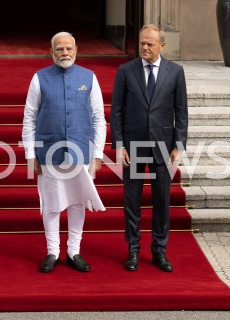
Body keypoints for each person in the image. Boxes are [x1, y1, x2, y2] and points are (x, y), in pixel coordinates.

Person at [22, 31, 106, 273]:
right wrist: (30, 154)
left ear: (76, 50)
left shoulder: (89, 78)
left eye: (69, 48)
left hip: (82, 151)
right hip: (49, 151)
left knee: (77, 202)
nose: (65, 53)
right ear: (52, 52)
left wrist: (98, 153)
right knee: (51, 203)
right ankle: (52, 251)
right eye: (59, 49)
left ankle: (73, 251)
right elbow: (29, 118)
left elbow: (99, 118)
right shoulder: (39, 78)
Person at [110, 24, 188, 272]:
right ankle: (133, 250)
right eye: (142, 42)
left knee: (161, 201)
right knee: (131, 201)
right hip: (133, 146)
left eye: (150, 44)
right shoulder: (125, 71)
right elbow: (116, 111)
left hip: (163, 147)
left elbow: (181, 111)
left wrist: (179, 145)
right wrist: (119, 145)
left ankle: (159, 251)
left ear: (161, 46)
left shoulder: (175, 72)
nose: (144, 47)